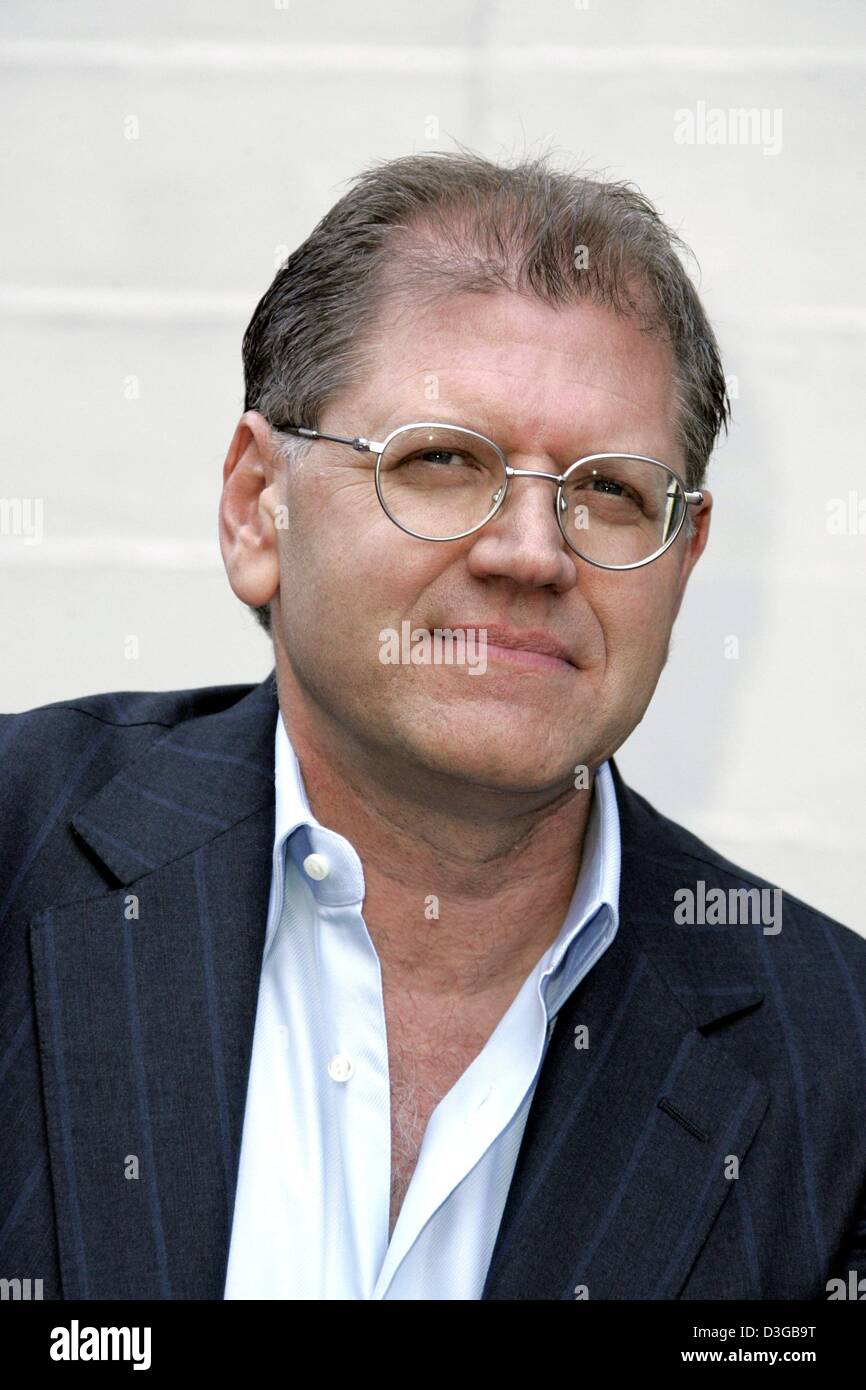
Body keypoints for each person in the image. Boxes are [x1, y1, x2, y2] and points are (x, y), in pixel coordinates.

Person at [2, 151, 864, 1302]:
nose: (530, 553)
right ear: (257, 506)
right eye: (444, 462)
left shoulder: (836, 1058)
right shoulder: (20, 846)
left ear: (683, 557)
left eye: (610, 492)